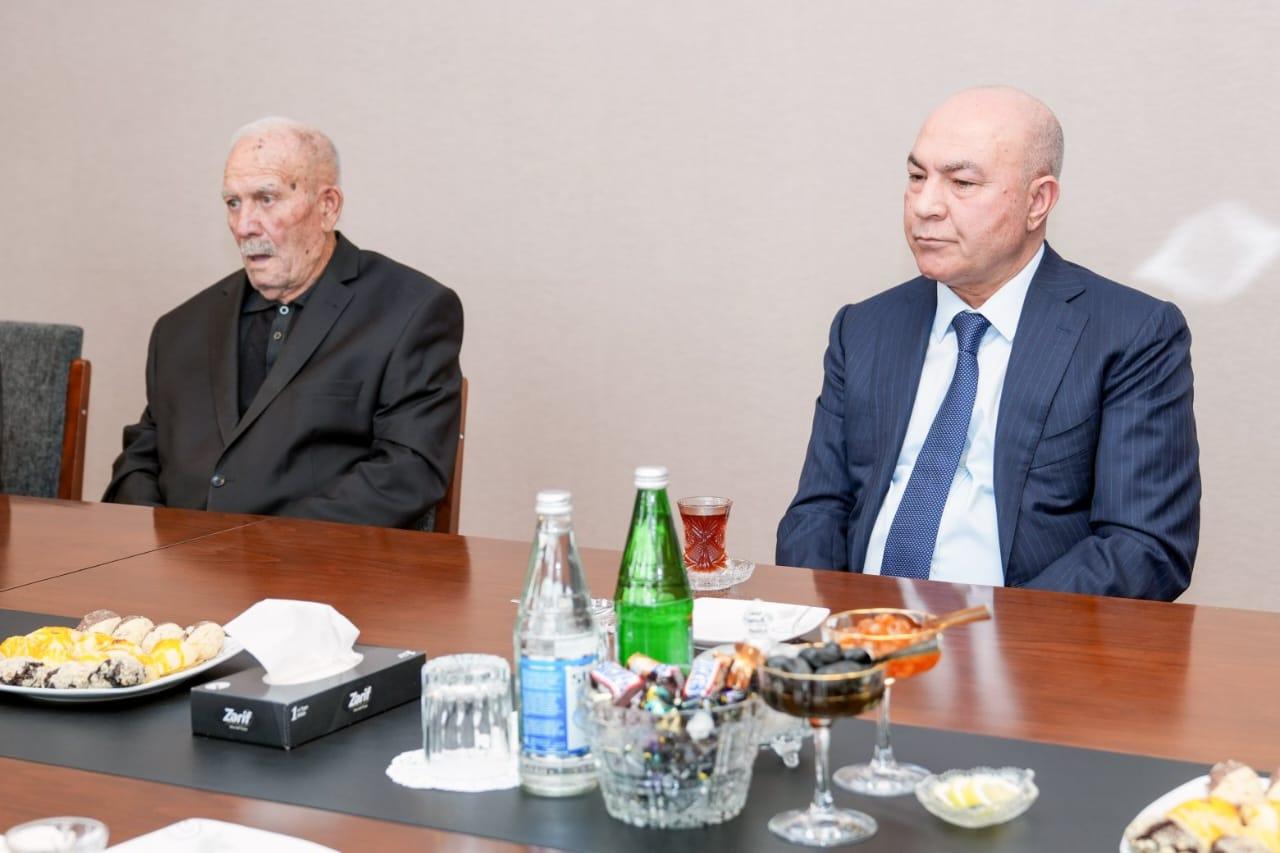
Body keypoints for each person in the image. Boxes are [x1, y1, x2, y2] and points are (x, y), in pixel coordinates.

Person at [776, 87, 1199, 600]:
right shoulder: (864, 327)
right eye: (916, 177)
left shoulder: (1131, 333)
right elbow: (818, 511)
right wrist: (829, 629)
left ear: (1037, 201)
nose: (925, 206)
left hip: (1023, 636)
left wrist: (995, 630)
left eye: (962, 183)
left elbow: (1143, 545)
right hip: (863, 635)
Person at [105, 117, 463, 530]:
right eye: (233, 203)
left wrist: (258, 546)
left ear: (327, 206)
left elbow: (408, 472)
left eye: (266, 198)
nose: (244, 225)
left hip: (316, 561)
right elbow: (139, 462)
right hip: (177, 563)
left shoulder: (410, 311)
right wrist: (161, 546)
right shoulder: (179, 328)